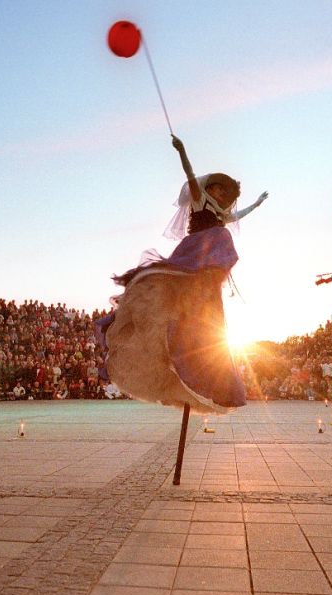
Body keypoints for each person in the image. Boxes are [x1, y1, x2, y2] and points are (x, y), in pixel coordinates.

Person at [96, 134, 268, 415]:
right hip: (194, 251)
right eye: (219, 189)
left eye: (225, 194)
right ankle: (193, 286)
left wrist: (258, 203)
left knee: (222, 234)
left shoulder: (223, 217)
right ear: (211, 187)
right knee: (210, 243)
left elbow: (240, 215)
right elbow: (189, 175)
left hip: (209, 255)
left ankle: (203, 287)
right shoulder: (199, 200)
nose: (223, 195)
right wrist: (182, 151)